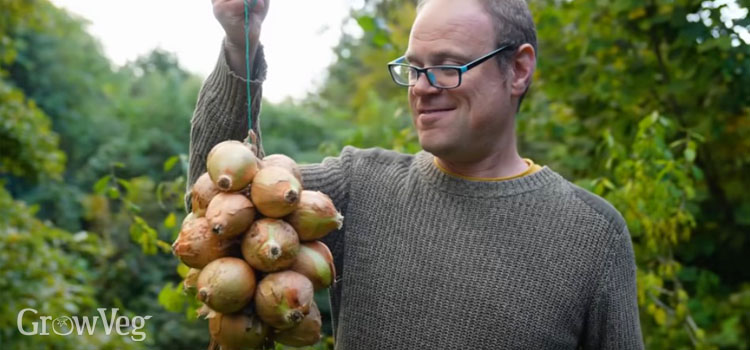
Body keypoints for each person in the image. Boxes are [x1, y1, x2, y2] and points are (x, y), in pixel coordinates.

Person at [187, 0, 644, 348]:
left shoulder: (592, 235)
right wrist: (239, 43)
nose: (423, 88)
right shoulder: (359, 188)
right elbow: (217, 204)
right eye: (414, 68)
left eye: (447, 67)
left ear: (519, 69)